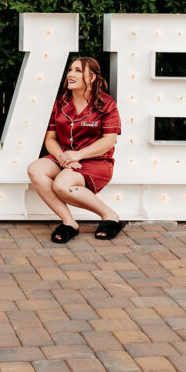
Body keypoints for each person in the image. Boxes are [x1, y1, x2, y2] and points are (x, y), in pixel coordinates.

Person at [27, 57, 126, 243]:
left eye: (78, 71)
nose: (71, 74)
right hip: (64, 156)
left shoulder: (106, 104)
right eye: (70, 70)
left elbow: (109, 141)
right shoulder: (61, 102)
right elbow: (50, 139)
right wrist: (63, 157)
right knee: (35, 169)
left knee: (61, 185)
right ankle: (69, 222)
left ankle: (110, 215)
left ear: (92, 77)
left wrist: (77, 155)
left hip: (96, 161)